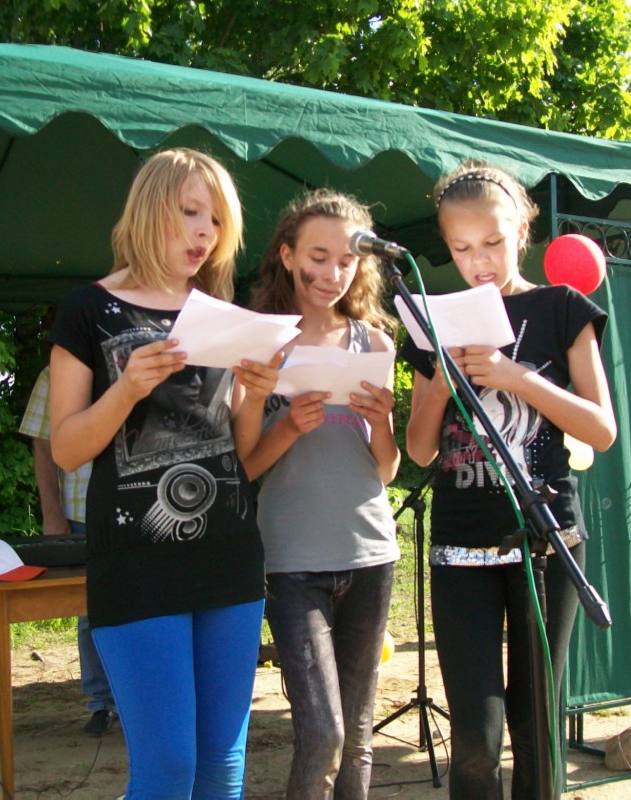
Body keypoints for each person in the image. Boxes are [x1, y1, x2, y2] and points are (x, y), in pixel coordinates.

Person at [47, 147, 281, 799]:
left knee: (222, 770)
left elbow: (240, 451)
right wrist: (125, 389)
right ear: (151, 210)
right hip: (137, 563)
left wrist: (256, 396)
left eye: (218, 220)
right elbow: (65, 448)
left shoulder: (222, 313)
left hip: (230, 556)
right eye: (191, 212)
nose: (206, 233)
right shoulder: (87, 308)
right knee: (169, 767)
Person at [402, 161, 617, 800]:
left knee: (536, 723)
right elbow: (419, 448)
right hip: (459, 548)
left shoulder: (562, 308)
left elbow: (602, 429)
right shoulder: (433, 320)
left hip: (547, 546)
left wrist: (515, 377)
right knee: (475, 734)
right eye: (462, 248)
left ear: (522, 231)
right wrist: (441, 382)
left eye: (493, 242)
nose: (480, 261)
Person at [244, 188, 401, 799]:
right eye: (318, 257)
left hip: (370, 553)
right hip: (291, 561)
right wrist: (287, 426)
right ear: (286, 256)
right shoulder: (260, 344)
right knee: (325, 731)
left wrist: (382, 423)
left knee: (358, 735)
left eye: (347, 261)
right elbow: (245, 466)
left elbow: (386, 470)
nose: (333, 273)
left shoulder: (375, 344)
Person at [19, 365, 117, 736]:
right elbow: (43, 444)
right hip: (81, 514)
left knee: (149, 605)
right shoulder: (56, 372)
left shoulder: (138, 357)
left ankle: (140, 704)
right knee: (90, 611)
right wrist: (51, 512)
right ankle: (101, 704)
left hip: (140, 513)